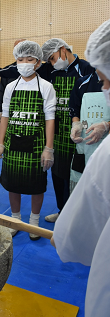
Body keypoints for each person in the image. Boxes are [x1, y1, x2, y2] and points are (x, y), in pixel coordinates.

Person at [51, 18, 110, 317]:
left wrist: (107, 126)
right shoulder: (85, 81)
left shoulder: (107, 159)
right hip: (83, 148)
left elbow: (73, 238)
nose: (102, 87)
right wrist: (76, 122)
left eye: (106, 81)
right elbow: (76, 103)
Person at [0, 40, 56, 240]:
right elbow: (5, 116)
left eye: (29, 59)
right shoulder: (11, 87)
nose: (24, 63)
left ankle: (34, 221)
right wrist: (0, 142)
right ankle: (15, 220)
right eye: (20, 59)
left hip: (36, 145)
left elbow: (49, 119)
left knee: (37, 184)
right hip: (13, 144)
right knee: (13, 184)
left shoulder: (46, 87)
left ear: (38, 62)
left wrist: (48, 148)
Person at [41, 39, 94, 222]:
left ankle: (78, 217)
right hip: (58, 135)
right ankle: (62, 212)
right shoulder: (53, 73)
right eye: (50, 61)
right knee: (58, 176)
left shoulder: (86, 69)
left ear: (63, 49)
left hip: (80, 136)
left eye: (53, 58)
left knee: (78, 178)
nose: (53, 63)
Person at [69, 70, 110, 192]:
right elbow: (74, 109)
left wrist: (106, 125)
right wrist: (76, 124)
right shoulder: (82, 83)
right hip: (85, 145)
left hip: (106, 146)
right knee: (83, 189)